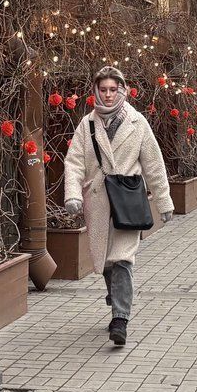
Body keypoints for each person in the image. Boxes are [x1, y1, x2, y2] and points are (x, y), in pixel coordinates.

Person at [63, 66, 174, 347]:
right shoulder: (87, 125)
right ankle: (115, 295)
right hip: (98, 200)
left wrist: (164, 201)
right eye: (104, 90)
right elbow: (74, 162)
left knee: (123, 258)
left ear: (122, 90)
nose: (109, 95)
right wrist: (73, 194)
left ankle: (120, 319)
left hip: (128, 199)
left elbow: (154, 164)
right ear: (96, 92)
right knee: (104, 261)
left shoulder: (138, 123)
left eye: (114, 89)